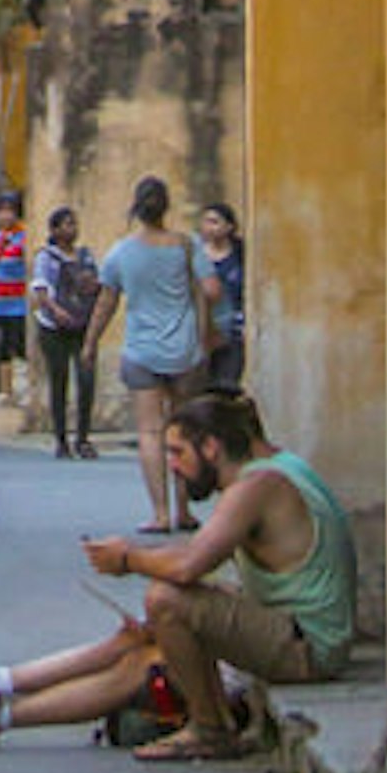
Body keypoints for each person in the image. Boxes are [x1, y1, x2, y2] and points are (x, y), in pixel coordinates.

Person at [0, 390, 363, 754]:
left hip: (306, 647)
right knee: (143, 647)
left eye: (177, 452)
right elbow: (198, 555)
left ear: (211, 446)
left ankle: (210, 731)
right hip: (294, 631)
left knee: (166, 601)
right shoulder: (273, 471)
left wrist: (128, 559)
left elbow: (189, 564)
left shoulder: (257, 486)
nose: (172, 467)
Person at [103, 171, 217, 527]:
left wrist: (91, 342)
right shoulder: (187, 246)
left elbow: (106, 302)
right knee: (182, 430)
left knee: (150, 432)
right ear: (166, 207)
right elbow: (212, 290)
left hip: (140, 352)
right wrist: (205, 319)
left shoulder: (121, 252)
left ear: (136, 209)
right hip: (184, 352)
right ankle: (185, 510)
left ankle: (160, 513)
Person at [29, 200, 107, 461]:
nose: (73, 229)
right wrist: (55, 310)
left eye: (74, 224)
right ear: (54, 229)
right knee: (59, 380)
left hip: (82, 324)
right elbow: (40, 290)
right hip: (54, 327)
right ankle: (62, 438)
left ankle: (83, 437)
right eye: (67, 224)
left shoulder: (85, 256)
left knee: (86, 380)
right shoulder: (45, 257)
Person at [194, 199, 250, 393]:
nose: (208, 227)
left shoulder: (241, 253)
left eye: (215, 221)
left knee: (226, 386)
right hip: (200, 331)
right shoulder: (195, 253)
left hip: (233, 331)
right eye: (205, 221)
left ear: (229, 227)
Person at [0, 188, 32, 392]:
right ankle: (6, 391)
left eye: (9, 211)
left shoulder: (24, 238)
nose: (5, 216)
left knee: (19, 347)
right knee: (1, 350)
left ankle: (24, 389)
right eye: (1, 211)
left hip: (18, 304)